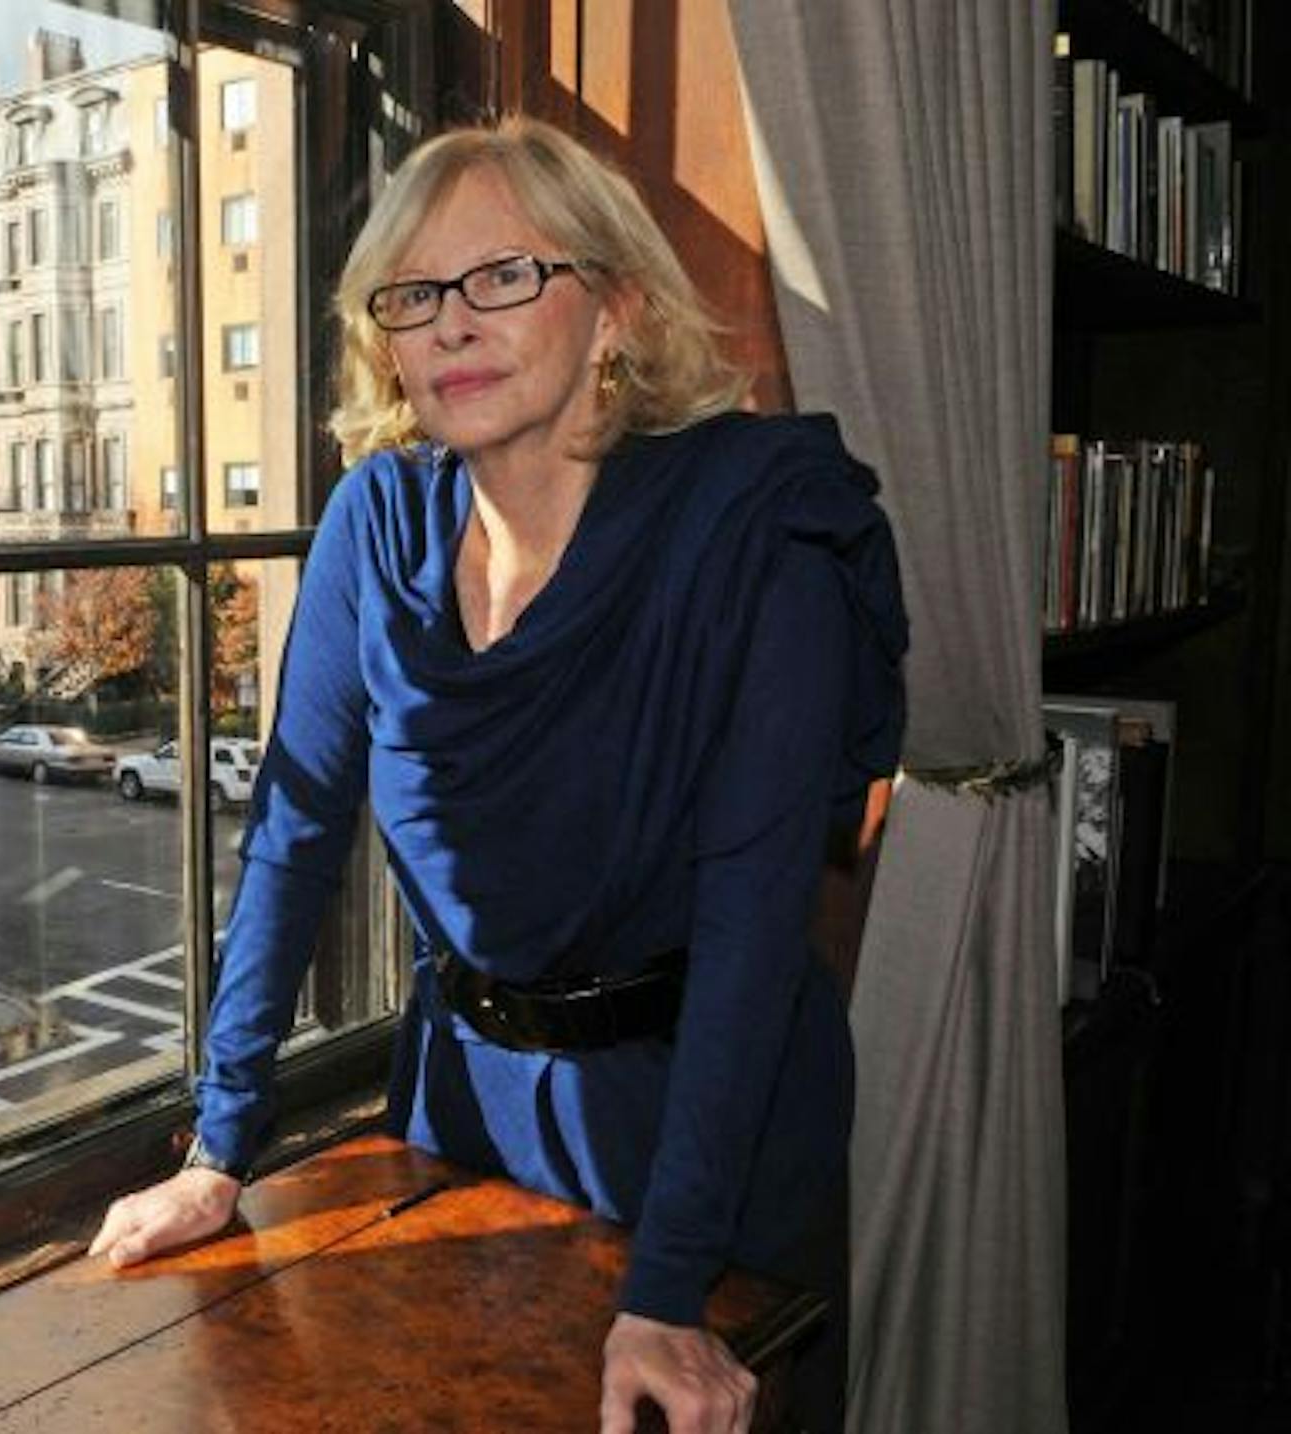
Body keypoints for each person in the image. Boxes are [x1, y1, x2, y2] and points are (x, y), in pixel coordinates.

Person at [89, 116, 905, 1434]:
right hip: (461, 1110)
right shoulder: (374, 523)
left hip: (707, 1125)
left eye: (505, 275)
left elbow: (754, 936)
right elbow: (294, 833)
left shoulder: (756, 539)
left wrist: (668, 1289)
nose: (452, 323)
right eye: (414, 294)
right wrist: (218, 1146)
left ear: (616, 307)